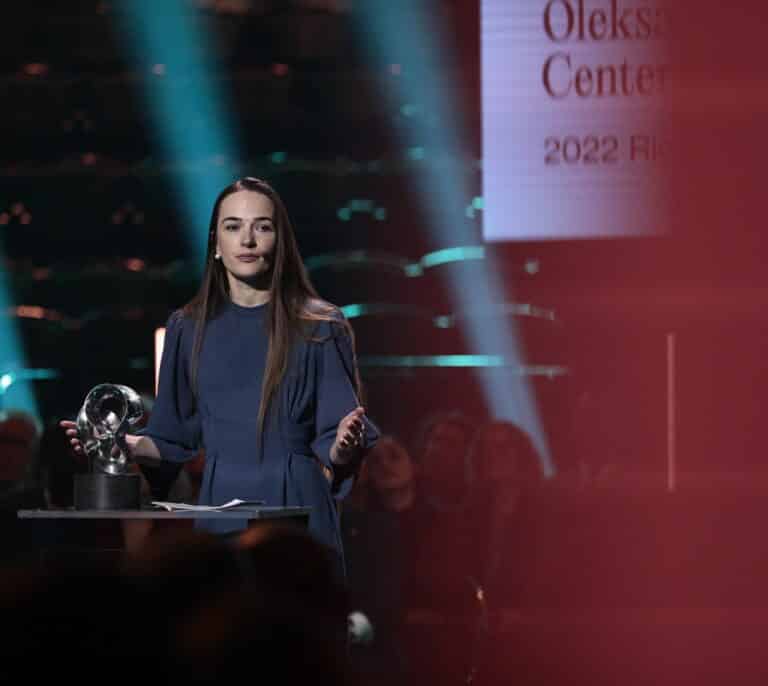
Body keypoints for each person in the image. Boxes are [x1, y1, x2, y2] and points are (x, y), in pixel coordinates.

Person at [60, 176, 379, 580]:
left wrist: (344, 447)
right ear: (216, 243)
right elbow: (173, 438)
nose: (247, 239)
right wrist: (119, 444)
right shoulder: (186, 327)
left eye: (262, 226)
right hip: (220, 510)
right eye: (233, 226)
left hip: (299, 509)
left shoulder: (319, 324)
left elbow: (337, 440)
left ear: (280, 241)